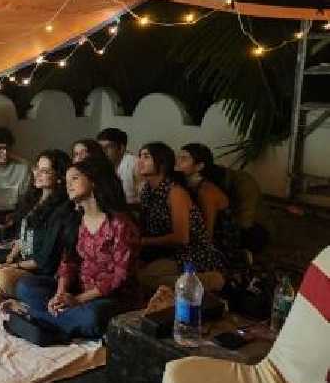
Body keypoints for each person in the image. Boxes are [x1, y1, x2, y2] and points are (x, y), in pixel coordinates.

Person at [13, 157, 140, 341]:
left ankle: (32, 315)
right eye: (66, 181)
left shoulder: (120, 224)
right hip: (78, 290)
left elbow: (119, 277)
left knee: (92, 318)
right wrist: (60, 294)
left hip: (111, 298)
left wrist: (77, 300)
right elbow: (68, 262)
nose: (68, 185)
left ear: (94, 181)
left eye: (74, 178)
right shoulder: (76, 220)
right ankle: (54, 317)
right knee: (25, 286)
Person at [0, 150, 77, 303]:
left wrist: (13, 265)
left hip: (37, 267)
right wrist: (11, 255)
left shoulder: (61, 211)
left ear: (59, 177)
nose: (37, 173)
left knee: (0, 275)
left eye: (44, 171)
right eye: (37, 168)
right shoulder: (34, 199)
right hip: (21, 255)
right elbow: (23, 235)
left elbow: (44, 261)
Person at [137, 142, 224, 292]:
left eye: (146, 157)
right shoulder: (146, 190)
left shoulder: (175, 192)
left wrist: (144, 241)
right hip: (164, 250)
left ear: (162, 164)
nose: (140, 161)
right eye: (139, 156)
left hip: (191, 252)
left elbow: (182, 238)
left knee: (145, 277)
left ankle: (209, 280)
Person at [97, 127, 140, 205]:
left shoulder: (134, 164)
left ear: (121, 148)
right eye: (100, 147)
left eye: (108, 147)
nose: (103, 151)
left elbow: (143, 199)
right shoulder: (100, 164)